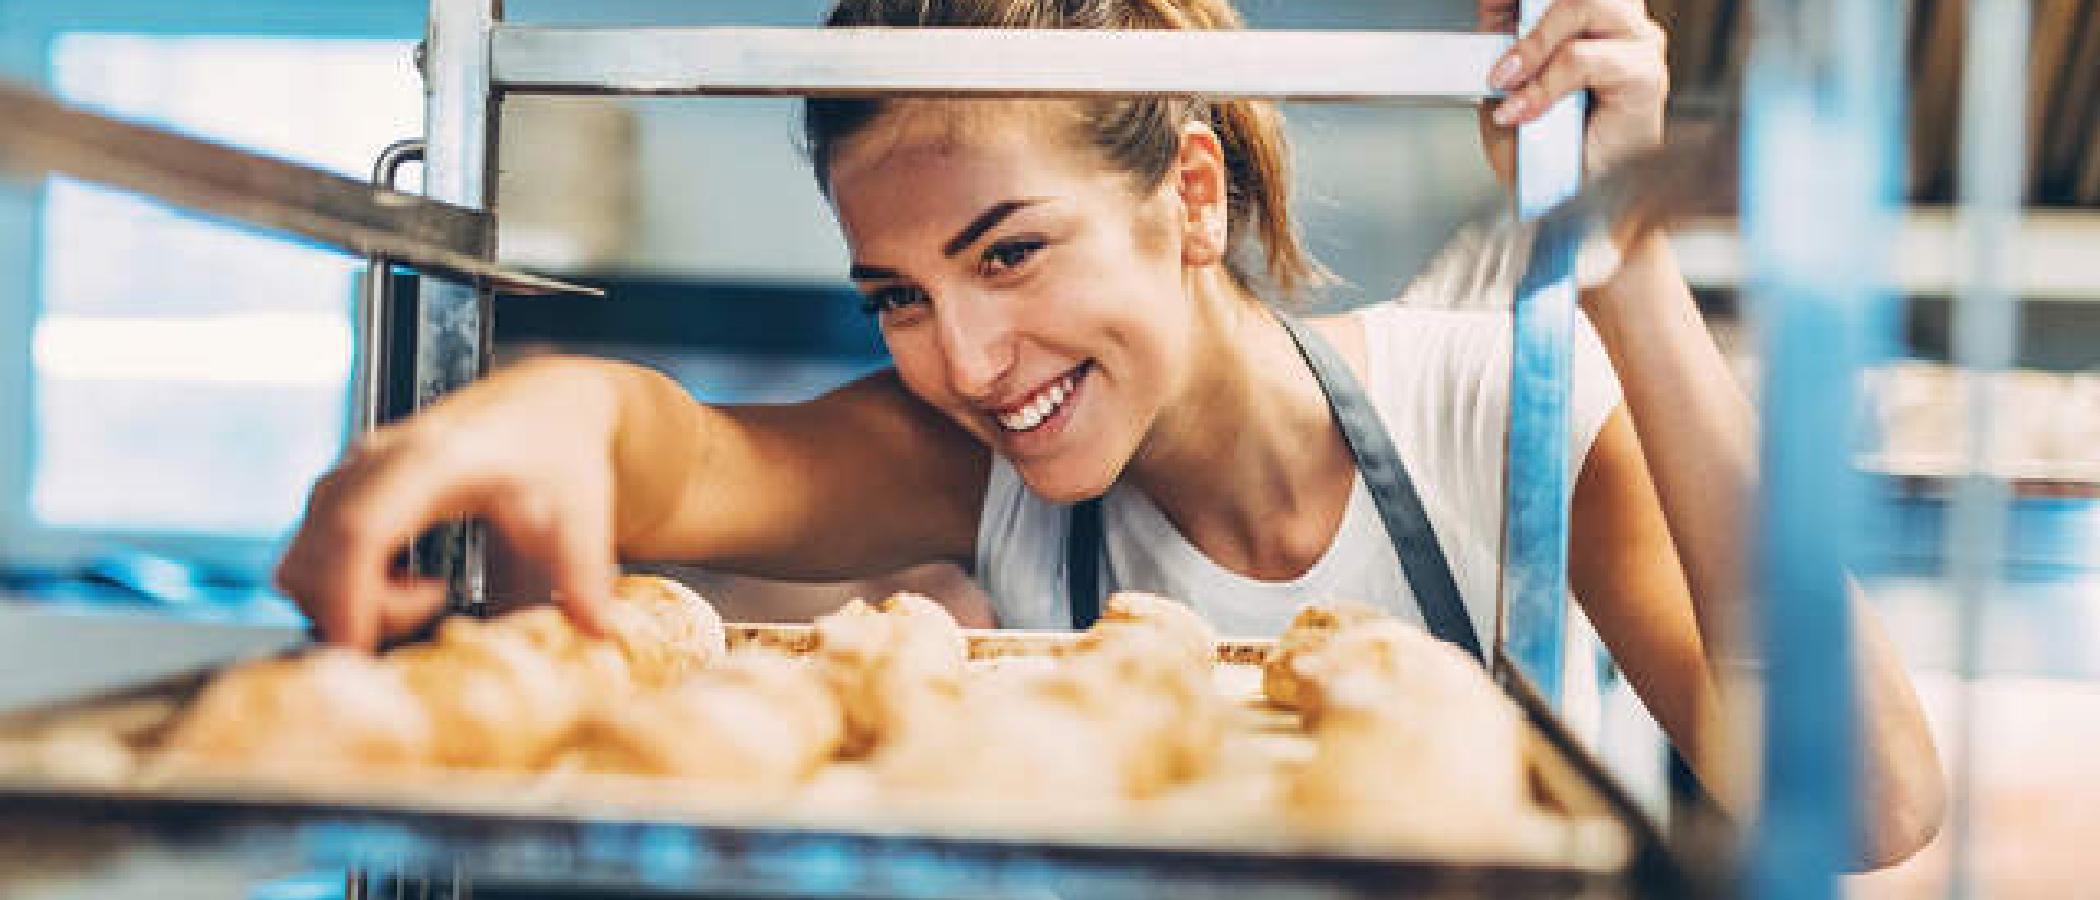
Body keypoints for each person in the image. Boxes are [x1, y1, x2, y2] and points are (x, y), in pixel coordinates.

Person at [277, 0, 1943, 867]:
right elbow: (687, 454)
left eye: (1010, 252)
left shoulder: (1488, 405)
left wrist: (1620, 250)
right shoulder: (977, 473)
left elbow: (1867, 806)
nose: (970, 359)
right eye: (897, 297)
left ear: (1193, 199)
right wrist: (550, 408)